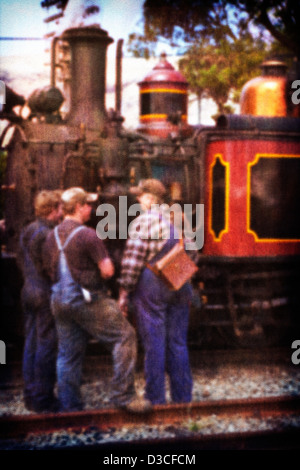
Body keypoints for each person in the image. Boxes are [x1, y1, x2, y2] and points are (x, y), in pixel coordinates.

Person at [43, 187, 151, 413]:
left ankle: (69, 405)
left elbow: (48, 268)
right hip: (86, 300)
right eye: (88, 205)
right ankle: (124, 395)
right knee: (125, 336)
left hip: (59, 301)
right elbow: (108, 271)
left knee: (68, 354)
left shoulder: (50, 235)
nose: (91, 209)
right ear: (79, 207)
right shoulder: (88, 234)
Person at [118, 179, 193, 405]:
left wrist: (124, 292)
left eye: (140, 196)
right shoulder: (180, 219)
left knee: (155, 344)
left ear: (150, 198)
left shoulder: (144, 221)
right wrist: (175, 270)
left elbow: (132, 261)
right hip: (180, 281)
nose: (138, 200)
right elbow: (194, 253)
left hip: (153, 286)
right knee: (178, 342)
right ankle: (182, 398)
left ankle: (156, 398)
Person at [19, 190, 63, 412]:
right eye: (60, 208)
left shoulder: (28, 229)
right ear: (54, 210)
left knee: (31, 342)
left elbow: (20, 257)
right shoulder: (48, 234)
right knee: (47, 343)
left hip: (28, 288)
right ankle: (43, 397)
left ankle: (30, 393)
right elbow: (51, 268)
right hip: (43, 291)